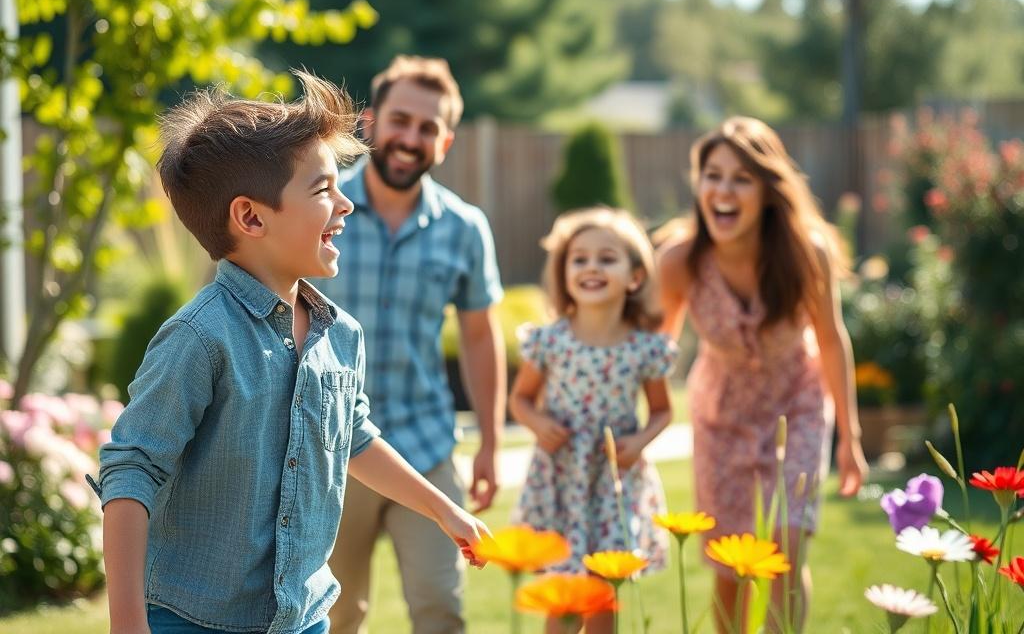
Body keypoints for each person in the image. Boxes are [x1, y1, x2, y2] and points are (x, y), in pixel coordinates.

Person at [90, 71, 489, 634]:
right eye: (324, 189)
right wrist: (128, 625)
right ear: (251, 217)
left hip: (301, 617)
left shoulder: (340, 335)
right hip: (193, 618)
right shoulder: (200, 338)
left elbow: (354, 436)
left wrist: (445, 511)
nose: (346, 204)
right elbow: (131, 473)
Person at [312, 56, 506, 634]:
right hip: (331, 450)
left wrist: (492, 442)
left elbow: (479, 335)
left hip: (426, 447)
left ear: (445, 141)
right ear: (370, 123)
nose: (409, 138)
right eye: (400, 120)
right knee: (334, 615)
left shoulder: (465, 228)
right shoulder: (320, 208)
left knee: (441, 610)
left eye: (428, 128)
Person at [656, 116, 869, 633]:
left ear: (768, 191)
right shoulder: (680, 260)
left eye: (741, 178)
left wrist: (850, 437)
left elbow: (832, 340)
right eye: (713, 175)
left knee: (786, 553)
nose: (723, 191)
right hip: (720, 417)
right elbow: (655, 349)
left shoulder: (806, 252)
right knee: (731, 566)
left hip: (795, 406)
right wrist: (644, 419)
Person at [509, 207, 676, 634]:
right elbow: (520, 400)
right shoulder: (550, 342)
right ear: (564, 272)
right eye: (579, 259)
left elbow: (662, 410)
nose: (591, 267)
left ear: (634, 277)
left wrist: (640, 441)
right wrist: (537, 424)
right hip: (563, 476)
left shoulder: (644, 349)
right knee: (564, 593)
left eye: (607, 258)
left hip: (614, 481)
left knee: (605, 589)